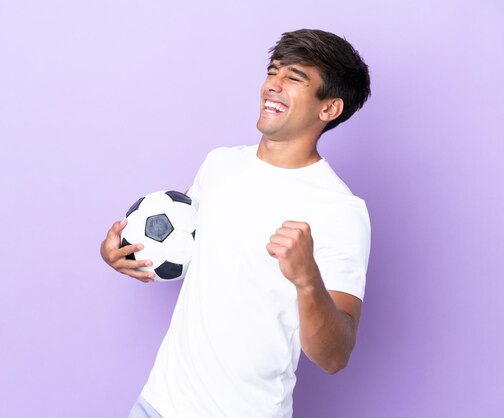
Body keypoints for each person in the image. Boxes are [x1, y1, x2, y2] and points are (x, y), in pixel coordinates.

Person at [101, 28, 372, 418]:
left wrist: (306, 278)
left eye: (293, 77)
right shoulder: (220, 164)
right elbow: (187, 253)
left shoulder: (339, 209)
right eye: (272, 71)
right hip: (159, 404)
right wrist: (121, 252)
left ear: (328, 108)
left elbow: (334, 356)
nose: (272, 85)